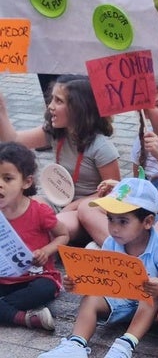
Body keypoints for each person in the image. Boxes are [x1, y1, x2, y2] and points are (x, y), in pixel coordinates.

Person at [38, 177, 158, 358]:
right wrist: (77, 283)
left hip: (151, 307)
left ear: (148, 222)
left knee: (150, 295)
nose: (114, 228)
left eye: (123, 221)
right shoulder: (111, 242)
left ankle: (125, 345)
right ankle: (76, 344)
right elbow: (100, 281)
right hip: (119, 298)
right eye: (110, 219)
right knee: (90, 298)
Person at [78, 74, 158, 247]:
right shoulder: (140, 142)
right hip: (149, 211)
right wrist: (119, 187)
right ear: (145, 113)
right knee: (87, 208)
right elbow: (141, 189)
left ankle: (117, 248)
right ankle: (123, 249)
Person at [0, 74, 121, 244]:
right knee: (23, 206)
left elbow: (114, 191)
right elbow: (14, 141)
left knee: (52, 226)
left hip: (84, 211)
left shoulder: (101, 147)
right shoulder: (55, 132)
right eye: (52, 100)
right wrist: (2, 111)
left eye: (58, 101)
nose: (50, 106)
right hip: (58, 201)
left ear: (78, 108)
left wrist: (74, 206)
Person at [0, 142, 69, 331]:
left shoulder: (39, 211)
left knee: (45, 289)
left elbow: (64, 235)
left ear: (26, 182)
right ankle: (26, 318)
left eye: (7, 178)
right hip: (4, 279)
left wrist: (46, 251)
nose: (0, 184)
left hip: (36, 278)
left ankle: (5, 310)